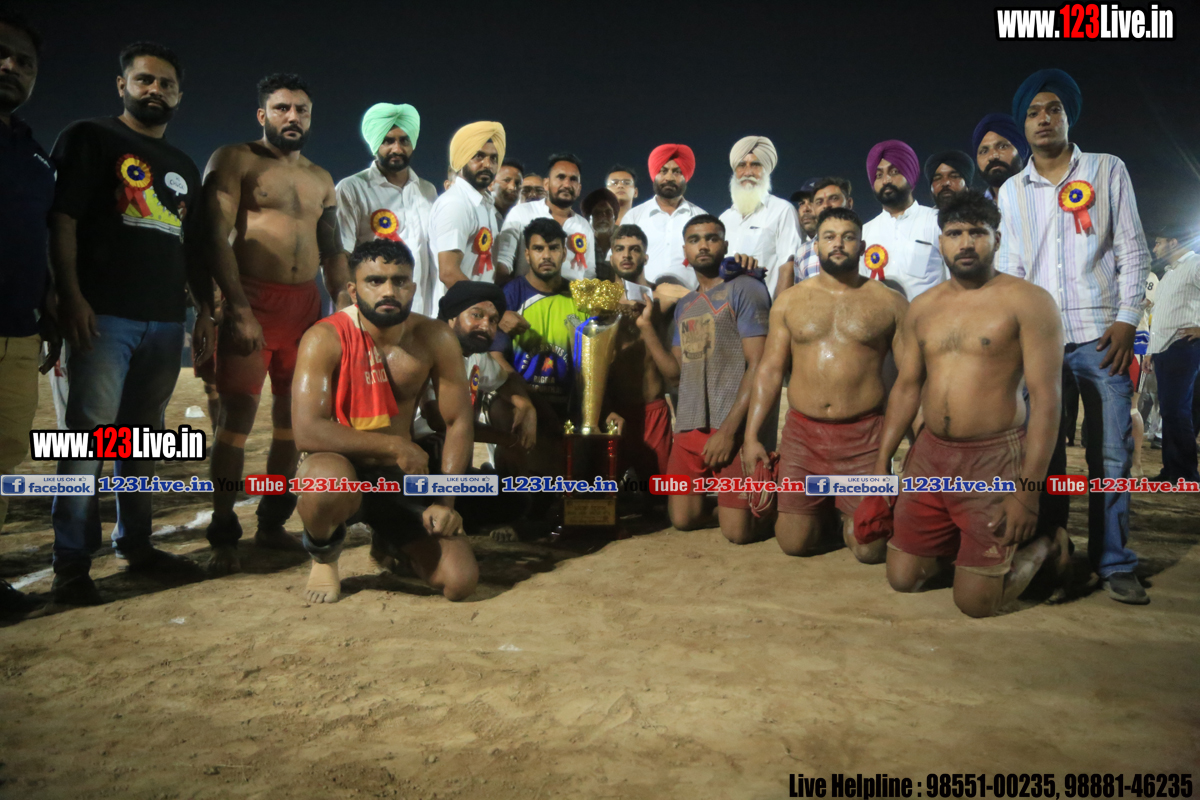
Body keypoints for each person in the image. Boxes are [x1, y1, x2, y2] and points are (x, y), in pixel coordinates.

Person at [48, 42, 208, 604]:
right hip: (102, 318)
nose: (155, 90)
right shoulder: (89, 137)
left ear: (180, 95)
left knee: (141, 441)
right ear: (122, 85)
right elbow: (62, 219)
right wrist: (70, 297)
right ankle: (71, 565)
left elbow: (190, 248)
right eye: (144, 80)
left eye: (166, 83)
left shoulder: (183, 166)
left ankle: (136, 545)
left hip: (163, 324)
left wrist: (202, 313)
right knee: (86, 440)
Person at [870, 191, 1069, 618]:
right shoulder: (923, 307)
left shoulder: (1029, 301)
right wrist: (882, 460)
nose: (965, 243)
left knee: (976, 604)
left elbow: (1047, 400)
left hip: (992, 458)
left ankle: (1047, 544)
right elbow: (906, 387)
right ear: (940, 240)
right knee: (902, 578)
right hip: (930, 455)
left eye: (977, 232)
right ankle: (967, 549)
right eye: (954, 233)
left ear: (997, 239)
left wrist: (1029, 490)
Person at [996, 68, 1151, 604]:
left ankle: (1114, 561)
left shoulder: (1107, 169)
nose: (1044, 119)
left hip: (1102, 338)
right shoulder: (1012, 191)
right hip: (1040, 344)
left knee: (1111, 455)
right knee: (1045, 455)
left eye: (1053, 109)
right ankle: (1052, 551)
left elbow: (1132, 249)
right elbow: (1012, 269)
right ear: (1023, 125)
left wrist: (1127, 319)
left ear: (1068, 117)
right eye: (1033, 112)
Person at [199, 73, 350, 575]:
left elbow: (332, 249)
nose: (293, 117)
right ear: (262, 115)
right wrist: (236, 306)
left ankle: (271, 522)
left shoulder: (322, 178)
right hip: (252, 299)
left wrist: (343, 305)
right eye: (282, 108)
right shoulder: (235, 159)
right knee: (236, 421)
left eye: (301, 110)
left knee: (294, 425)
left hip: (304, 307)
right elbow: (213, 234)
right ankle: (223, 531)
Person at [291, 239, 477, 603]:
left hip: (398, 479)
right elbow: (307, 430)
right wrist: (394, 445)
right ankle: (324, 553)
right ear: (353, 290)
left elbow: (458, 422)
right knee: (325, 485)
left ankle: (391, 542)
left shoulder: (434, 337)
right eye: (375, 281)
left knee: (461, 582)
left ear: (414, 286)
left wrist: (446, 503)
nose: (388, 291)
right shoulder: (324, 338)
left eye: (399, 281)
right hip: (340, 467)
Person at [743, 207, 907, 562]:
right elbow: (770, 370)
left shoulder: (890, 301)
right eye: (829, 237)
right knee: (793, 544)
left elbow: (909, 381)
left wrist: (892, 451)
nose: (838, 244)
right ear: (815, 246)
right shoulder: (789, 300)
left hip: (864, 438)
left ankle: (843, 511)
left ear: (862, 246)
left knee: (870, 548)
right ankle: (827, 510)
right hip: (803, 438)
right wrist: (751, 436)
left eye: (848, 237)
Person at [639, 215, 770, 544]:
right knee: (682, 520)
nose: (703, 245)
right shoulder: (685, 305)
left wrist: (729, 432)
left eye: (712, 238)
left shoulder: (746, 288)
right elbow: (675, 374)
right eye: (695, 239)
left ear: (725, 246)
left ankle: (765, 504)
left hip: (732, 427)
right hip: (690, 424)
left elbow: (759, 365)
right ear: (685, 250)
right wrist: (646, 328)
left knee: (738, 533)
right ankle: (728, 507)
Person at [0, 10, 55, 613]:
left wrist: (48, 308)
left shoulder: (33, 153)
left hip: (17, 331)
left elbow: (38, 238)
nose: (10, 66)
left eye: (24, 61)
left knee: (4, 451)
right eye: (2, 53)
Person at [412, 281, 536, 539]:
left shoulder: (476, 355)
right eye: (476, 315)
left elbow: (506, 380)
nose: (485, 326)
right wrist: (508, 440)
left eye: (493, 320)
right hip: (417, 460)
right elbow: (439, 420)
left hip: (451, 469)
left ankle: (462, 508)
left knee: (513, 499)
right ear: (451, 317)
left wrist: (525, 405)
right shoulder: (430, 348)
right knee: (439, 446)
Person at [336, 102, 438, 317]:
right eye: (388, 141)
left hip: (421, 310)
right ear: (375, 144)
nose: (397, 149)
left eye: (404, 140)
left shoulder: (427, 190)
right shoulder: (352, 189)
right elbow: (341, 255)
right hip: (372, 310)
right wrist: (346, 310)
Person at [607, 224, 674, 485]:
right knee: (606, 496)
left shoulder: (661, 296)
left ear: (645, 257)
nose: (627, 255)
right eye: (620, 249)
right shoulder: (600, 301)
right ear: (611, 256)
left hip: (652, 410)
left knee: (660, 498)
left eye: (634, 249)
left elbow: (700, 292)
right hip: (613, 412)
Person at [428, 121, 508, 314]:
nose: (487, 164)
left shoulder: (484, 204)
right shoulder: (456, 203)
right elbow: (448, 273)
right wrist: (487, 309)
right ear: (461, 159)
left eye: (493, 158)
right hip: (456, 317)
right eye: (478, 156)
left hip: (474, 315)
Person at [861, 140, 947, 300]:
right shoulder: (864, 232)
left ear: (910, 175)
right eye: (879, 175)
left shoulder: (938, 221)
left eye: (894, 172)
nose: (886, 180)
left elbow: (954, 281)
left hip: (930, 315)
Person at [1147, 225, 1200, 483]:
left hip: (1183, 347)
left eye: (1158, 242)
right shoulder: (1169, 274)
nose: (1155, 248)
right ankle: (1171, 470)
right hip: (1164, 349)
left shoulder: (1195, 265)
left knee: (1177, 410)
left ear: (1173, 242)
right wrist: (1150, 350)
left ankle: (1186, 473)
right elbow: (1161, 316)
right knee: (1168, 410)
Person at [718, 135, 802, 300]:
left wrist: (778, 311)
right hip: (726, 308)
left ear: (766, 170)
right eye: (741, 165)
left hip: (764, 309)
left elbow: (789, 267)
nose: (748, 172)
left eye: (756, 165)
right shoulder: (724, 219)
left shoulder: (782, 210)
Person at [496, 153, 597, 282]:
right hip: (528, 293)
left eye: (573, 179)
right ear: (546, 184)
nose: (567, 184)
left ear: (579, 188)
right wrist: (511, 291)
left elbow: (589, 273)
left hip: (572, 294)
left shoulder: (584, 226)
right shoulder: (521, 213)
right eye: (560, 177)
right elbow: (503, 260)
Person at [621, 144, 707, 288]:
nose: (669, 178)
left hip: (689, 298)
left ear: (685, 177)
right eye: (663, 171)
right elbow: (618, 260)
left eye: (677, 172)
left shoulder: (700, 217)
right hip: (642, 298)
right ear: (654, 175)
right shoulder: (634, 217)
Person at [793, 177, 854, 284]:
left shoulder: (867, 239)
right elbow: (800, 292)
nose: (826, 205)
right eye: (819, 202)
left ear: (849, 203)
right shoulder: (802, 252)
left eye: (834, 198)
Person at [971, 113, 1029, 199]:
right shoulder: (973, 207)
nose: (993, 156)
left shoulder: (1044, 196)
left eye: (1002, 146)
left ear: (1020, 150)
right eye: (984, 151)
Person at [582, 188, 619, 263]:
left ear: (614, 216)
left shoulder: (624, 239)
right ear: (590, 218)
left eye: (608, 212)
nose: (603, 216)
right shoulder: (580, 241)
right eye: (597, 213)